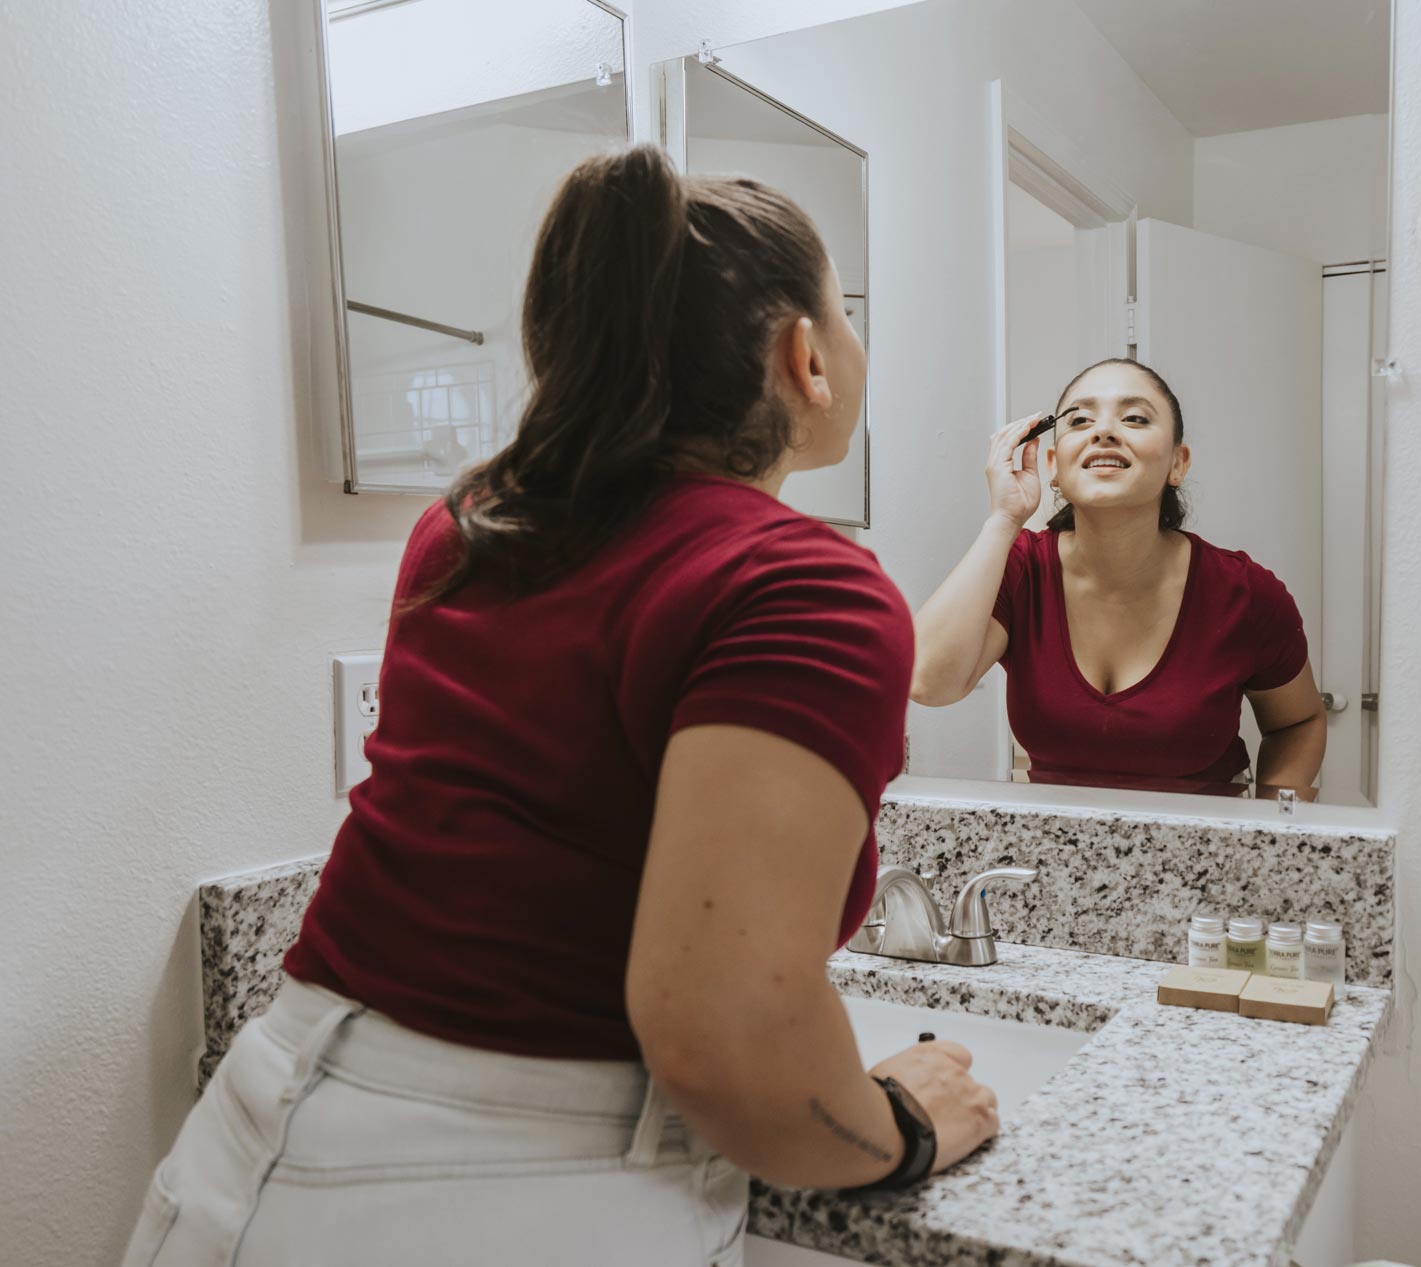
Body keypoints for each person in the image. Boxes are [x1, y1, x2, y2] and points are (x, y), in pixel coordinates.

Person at [119, 146, 998, 1267]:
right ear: (808, 359)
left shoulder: (476, 521)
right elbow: (727, 1040)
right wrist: (904, 1126)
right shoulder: (804, 585)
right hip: (515, 1196)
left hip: (257, 1130)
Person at [910, 358, 1326, 798]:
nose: (1103, 431)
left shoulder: (1246, 592)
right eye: (1080, 419)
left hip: (1205, 857)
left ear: (1177, 463)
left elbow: (1298, 722)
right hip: (1051, 854)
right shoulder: (1020, 571)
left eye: (1134, 418)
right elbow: (928, 683)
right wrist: (1004, 519)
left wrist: (1269, 838)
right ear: (1053, 464)